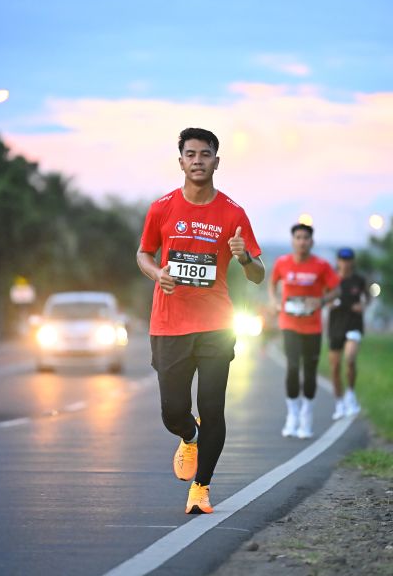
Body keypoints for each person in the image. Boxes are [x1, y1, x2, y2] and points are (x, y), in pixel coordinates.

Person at [137, 127, 265, 514]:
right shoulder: (161, 208)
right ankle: (189, 436)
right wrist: (157, 274)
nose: (198, 161)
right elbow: (143, 254)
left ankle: (201, 488)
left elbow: (258, 275)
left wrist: (244, 258)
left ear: (216, 161)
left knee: (212, 408)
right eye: (190, 154)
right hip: (169, 324)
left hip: (215, 326)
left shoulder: (233, 213)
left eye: (205, 154)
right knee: (173, 411)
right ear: (181, 162)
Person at [269, 223, 340, 439]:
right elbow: (272, 284)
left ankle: (306, 415)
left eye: (305, 238)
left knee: (309, 371)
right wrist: (275, 301)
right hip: (289, 323)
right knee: (292, 367)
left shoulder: (321, 265)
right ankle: (293, 414)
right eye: (298, 237)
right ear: (293, 241)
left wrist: (321, 301)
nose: (302, 241)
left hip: (313, 326)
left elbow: (336, 289)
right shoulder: (282, 262)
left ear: (312, 242)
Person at [328, 247, 369, 420]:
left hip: (353, 323)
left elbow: (368, 296)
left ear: (352, 262)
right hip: (336, 325)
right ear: (338, 261)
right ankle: (339, 402)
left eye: (348, 260)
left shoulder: (359, 280)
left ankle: (350, 393)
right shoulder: (331, 278)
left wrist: (363, 305)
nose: (345, 263)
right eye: (342, 260)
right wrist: (329, 303)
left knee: (350, 358)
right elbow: (324, 297)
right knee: (335, 366)